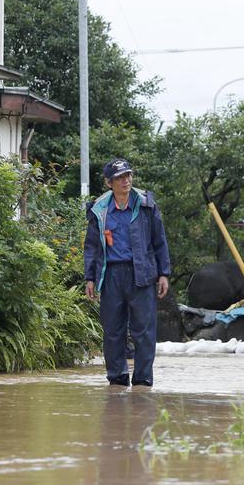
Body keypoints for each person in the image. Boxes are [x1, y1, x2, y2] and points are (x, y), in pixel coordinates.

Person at [84, 158, 171, 386]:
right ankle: (117, 380)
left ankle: (143, 382)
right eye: (120, 177)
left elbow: (159, 241)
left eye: (128, 175)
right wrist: (90, 278)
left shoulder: (146, 205)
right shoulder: (99, 210)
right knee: (113, 331)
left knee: (144, 331)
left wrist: (164, 273)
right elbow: (91, 246)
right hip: (111, 275)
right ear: (109, 183)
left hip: (141, 274)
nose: (126, 180)